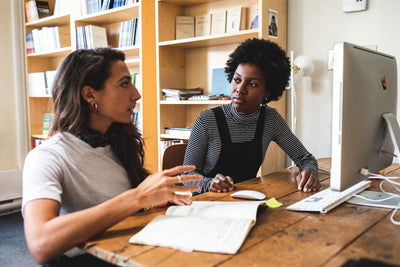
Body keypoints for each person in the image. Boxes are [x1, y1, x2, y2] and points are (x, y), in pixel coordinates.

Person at [22, 48, 201, 266]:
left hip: (131, 249)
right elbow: (40, 244)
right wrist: (139, 197)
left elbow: (125, 207)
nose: (136, 94)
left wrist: (154, 200)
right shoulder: (46, 157)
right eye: (125, 83)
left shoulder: (118, 141)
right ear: (90, 95)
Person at [183, 38, 320, 195]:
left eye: (252, 84)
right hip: (207, 203)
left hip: (247, 202)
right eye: (237, 80)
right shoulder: (207, 120)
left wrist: (310, 172)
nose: (240, 89)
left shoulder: (271, 119)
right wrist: (209, 183)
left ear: (268, 92)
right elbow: (186, 177)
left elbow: (305, 158)